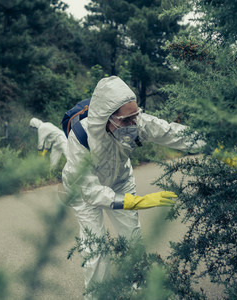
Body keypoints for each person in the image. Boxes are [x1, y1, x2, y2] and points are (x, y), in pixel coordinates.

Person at [61, 76, 205, 297]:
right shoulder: (80, 136)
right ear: (106, 118)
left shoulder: (136, 121)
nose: (134, 124)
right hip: (83, 191)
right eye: (126, 120)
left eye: (135, 116)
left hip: (120, 179)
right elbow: (90, 191)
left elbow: (172, 133)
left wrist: (216, 146)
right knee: (95, 248)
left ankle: (136, 289)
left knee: (132, 239)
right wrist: (134, 202)